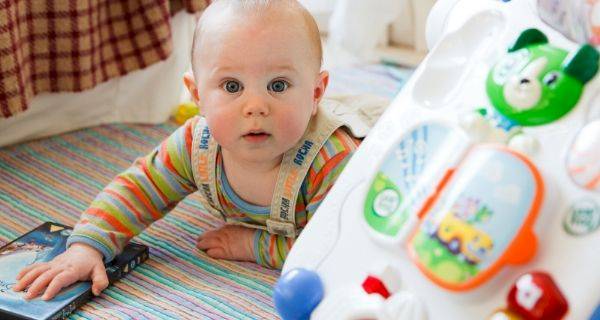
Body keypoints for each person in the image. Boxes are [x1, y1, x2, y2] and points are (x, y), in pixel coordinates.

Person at [13, 0, 361, 301]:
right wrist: (88, 245)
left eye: (278, 85)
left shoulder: (333, 163)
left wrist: (253, 245)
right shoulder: (199, 143)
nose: (255, 106)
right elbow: (139, 188)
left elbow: (337, 252)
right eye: (232, 86)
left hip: (365, 132)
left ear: (316, 93)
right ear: (197, 97)